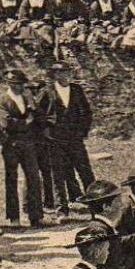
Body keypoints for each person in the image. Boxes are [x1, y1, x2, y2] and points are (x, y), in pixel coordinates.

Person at [39, 59, 94, 214]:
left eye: (68, 72)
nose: (65, 75)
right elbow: (39, 115)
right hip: (55, 139)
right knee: (57, 174)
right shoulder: (46, 91)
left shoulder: (76, 90)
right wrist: (46, 132)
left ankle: (96, 203)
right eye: (61, 72)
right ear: (55, 74)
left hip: (75, 138)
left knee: (85, 171)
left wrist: (82, 131)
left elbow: (87, 113)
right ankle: (61, 209)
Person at [0, 70, 45, 228]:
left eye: (21, 84)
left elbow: (39, 119)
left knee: (33, 178)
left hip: (28, 144)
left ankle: (35, 216)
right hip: (11, 144)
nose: (19, 87)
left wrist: (32, 105)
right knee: (11, 179)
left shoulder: (26, 98)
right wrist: (27, 122)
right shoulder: (1, 100)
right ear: (8, 84)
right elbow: (7, 123)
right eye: (15, 84)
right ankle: (14, 218)